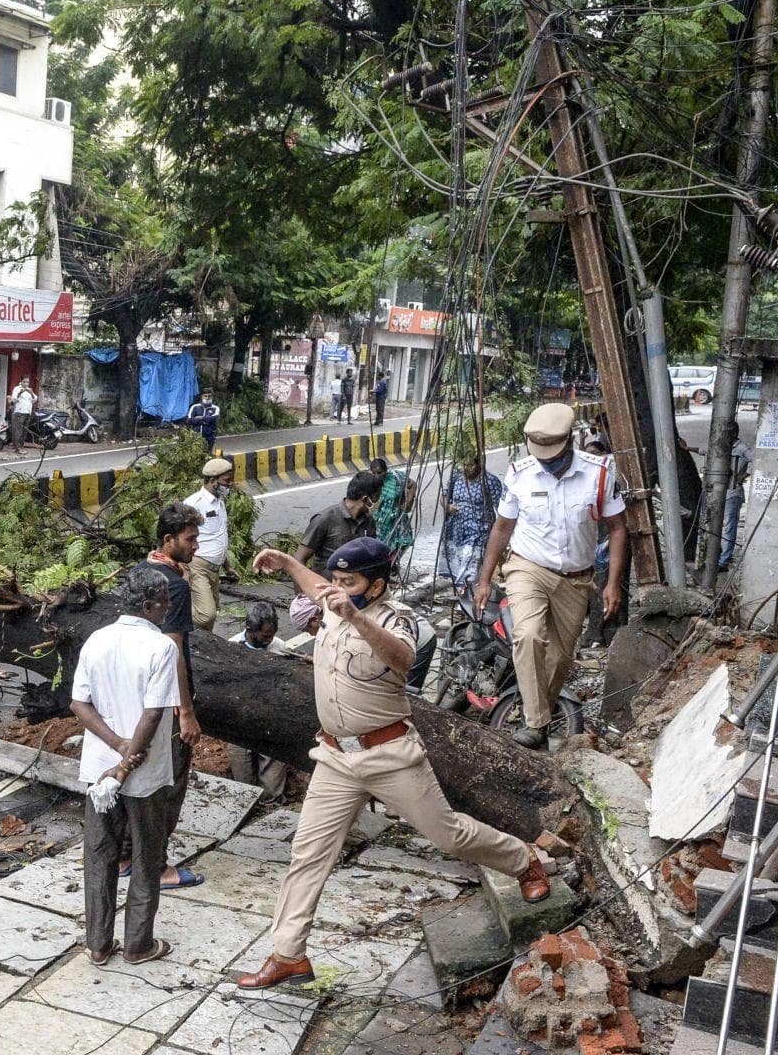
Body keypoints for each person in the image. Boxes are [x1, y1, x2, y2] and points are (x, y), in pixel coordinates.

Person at [236, 537, 548, 989]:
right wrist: (287, 563)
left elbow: (401, 658)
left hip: (390, 754)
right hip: (336, 757)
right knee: (306, 855)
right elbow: (317, 584)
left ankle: (524, 861)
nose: (337, 589)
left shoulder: (396, 617)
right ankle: (288, 955)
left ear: (376, 584)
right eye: (336, 581)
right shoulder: (334, 599)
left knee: (450, 835)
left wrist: (355, 617)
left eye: (350, 582)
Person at [474, 402, 628, 749]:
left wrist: (612, 583)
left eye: (552, 454)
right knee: (528, 635)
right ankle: (535, 723)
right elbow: (502, 528)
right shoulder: (520, 473)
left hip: (577, 578)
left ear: (570, 441)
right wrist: (484, 580)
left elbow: (618, 529)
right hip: (528, 567)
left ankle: (538, 716)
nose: (546, 461)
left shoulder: (600, 473)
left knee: (559, 658)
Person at [70, 568, 187, 965]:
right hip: (144, 772)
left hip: (99, 769)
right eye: (165, 601)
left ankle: (98, 945)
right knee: (146, 855)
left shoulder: (97, 639)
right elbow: (153, 714)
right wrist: (128, 756)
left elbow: (79, 704)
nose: (169, 607)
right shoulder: (161, 647)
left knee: (100, 855)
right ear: (149, 605)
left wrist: (116, 748)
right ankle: (138, 945)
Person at [125, 504, 205, 891]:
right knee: (169, 784)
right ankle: (155, 866)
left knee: (136, 773)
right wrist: (186, 710)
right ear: (168, 540)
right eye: (190, 539)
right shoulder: (174, 586)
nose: (195, 545)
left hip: (136, 696)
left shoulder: (138, 573)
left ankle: (126, 855)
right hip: (167, 698)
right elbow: (174, 649)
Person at [226, 601, 288, 794]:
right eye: (265, 636)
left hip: (271, 717)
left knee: (272, 779)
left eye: (272, 635)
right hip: (240, 717)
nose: (270, 639)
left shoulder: (279, 647)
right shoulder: (232, 647)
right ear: (251, 630)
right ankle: (248, 800)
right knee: (242, 778)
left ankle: (272, 803)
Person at [182, 457, 233, 632]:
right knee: (206, 614)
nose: (230, 484)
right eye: (226, 481)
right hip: (197, 567)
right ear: (212, 481)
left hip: (214, 569)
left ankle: (203, 653)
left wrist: (227, 566)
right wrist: (183, 571)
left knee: (210, 619)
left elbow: (219, 536)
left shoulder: (219, 501)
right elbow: (180, 539)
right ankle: (174, 613)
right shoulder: (193, 504)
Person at [440, 455, 503, 590]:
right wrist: (447, 506)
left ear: (479, 464)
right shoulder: (456, 478)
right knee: (457, 564)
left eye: (470, 465)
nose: (466, 469)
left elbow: (501, 508)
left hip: (479, 530)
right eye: (464, 465)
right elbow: (444, 496)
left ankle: (467, 592)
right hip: (456, 530)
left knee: (471, 565)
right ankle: (464, 592)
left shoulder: (490, 481)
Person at [297, 474, 380, 573]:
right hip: (326, 585)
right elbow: (299, 559)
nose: (378, 502)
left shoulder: (369, 522)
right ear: (366, 499)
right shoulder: (324, 519)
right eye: (376, 498)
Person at [368, 456, 414, 565]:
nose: (377, 476)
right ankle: (386, 567)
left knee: (404, 541)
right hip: (380, 521)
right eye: (374, 473)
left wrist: (408, 502)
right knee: (382, 545)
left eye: (380, 472)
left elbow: (413, 485)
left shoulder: (396, 477)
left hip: (397, 517)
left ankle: (392, 564)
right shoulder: (370, 482)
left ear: (385, 470)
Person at [718, 436, 753, 571]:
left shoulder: (741, 448)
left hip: (733, 492)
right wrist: (689, 448)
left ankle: (724, 561)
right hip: (719, 491)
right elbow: (705, 451)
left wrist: (743, 476)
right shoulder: (722, 445)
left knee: (729, 527)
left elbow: (756, 459)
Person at [8, 380, 37, 454]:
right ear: (21, 382)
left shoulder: (29, 390)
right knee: (18, 430)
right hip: (19, 412)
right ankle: (17, 448)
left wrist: (31, 393)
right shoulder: (17, 388)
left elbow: (34, 399)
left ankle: (21, 446)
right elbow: (14, 399)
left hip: (27, 412)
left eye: (27, 382)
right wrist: (20, 392)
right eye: (25, 381)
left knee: (24, 431)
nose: (26, 383)